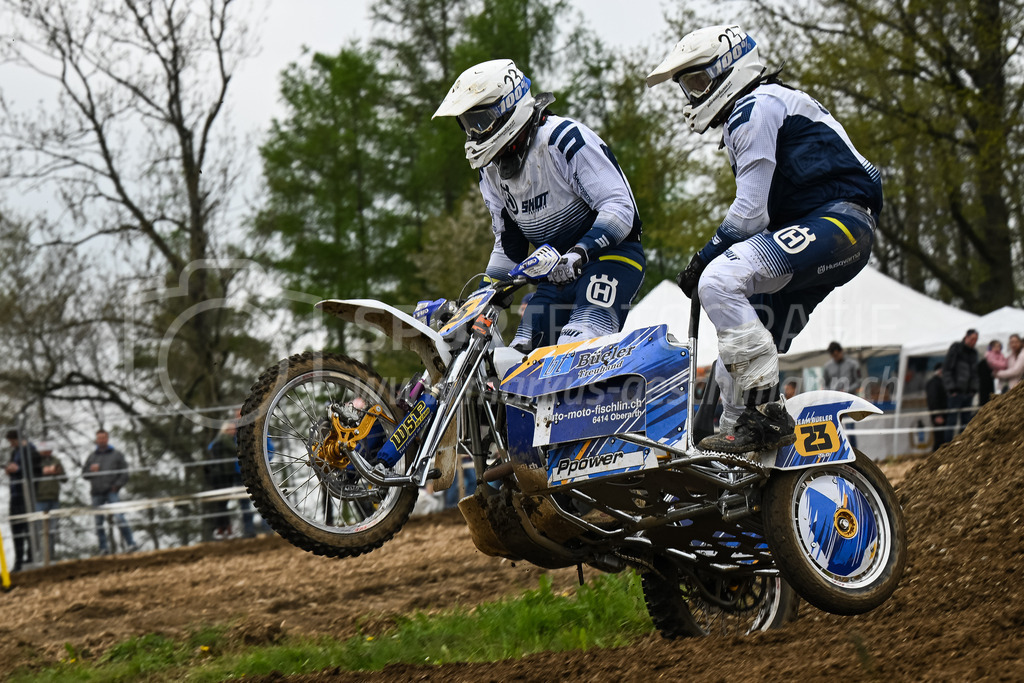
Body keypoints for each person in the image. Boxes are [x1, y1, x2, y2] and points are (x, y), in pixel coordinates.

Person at [647, 25, 881, 453]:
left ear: (729, 69)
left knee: (717, 280)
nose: (692, 96)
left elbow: (751, 212)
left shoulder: (754, 105)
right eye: (686, 86)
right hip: (830, 231)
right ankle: (736, 449)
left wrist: (705, 257)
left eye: (697, 81)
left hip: (841, 222)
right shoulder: (769, 105)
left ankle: (765, 412)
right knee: (734, 357)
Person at [433, 59, 646, 350]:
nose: (473, 135)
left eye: (480, 122)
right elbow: (509, 247)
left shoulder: (563, 139)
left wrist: (580, 252)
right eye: (468, 126)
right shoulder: (490, 170)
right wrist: (477, 301)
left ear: (508, 106)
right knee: (520, 360)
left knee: (579, 342)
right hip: (553, 276)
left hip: (610, 259)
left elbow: (621, 208)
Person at [83, 429, 138, 554]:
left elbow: (124, 473)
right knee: (98, 522)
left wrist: (117, 485)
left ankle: (131, 543)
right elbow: (84, 474)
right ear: (96, 440)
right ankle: (103, 548)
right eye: (99, 438)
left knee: (119, 517)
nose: (101, 440)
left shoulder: (117, 454)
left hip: (112, 491)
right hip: (96, 493)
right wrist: (91, 471)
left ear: (107, 439)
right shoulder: (92, 457)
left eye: (103, 438)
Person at [4, 430, 41, 572]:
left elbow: (34, 471)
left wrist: (18, 469)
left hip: (27, 494)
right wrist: (10, 469)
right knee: (16, 526)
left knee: (28, 526)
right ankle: (18, 560)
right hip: (15, 493)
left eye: (12, 442)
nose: (12, 445)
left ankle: (31, 557)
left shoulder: (32, 452)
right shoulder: (15, 452)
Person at [205, 420, 239, 540]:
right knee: (222, 503)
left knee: (222, 503)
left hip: (221, 475)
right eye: (232, 429)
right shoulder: (225, 439)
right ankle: (222, 529)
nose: (234, 431)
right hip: (223, 475)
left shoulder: (219, 439)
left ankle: (224, 529)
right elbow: (237, 450)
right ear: (226, 430)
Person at [33, 441, 67, 559]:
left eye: (48, 450)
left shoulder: (56, 461)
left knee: (52, 530)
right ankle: (40, 557)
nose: (45, 452)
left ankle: (50, 556)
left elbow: (64, 478)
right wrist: (43, 471)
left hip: (54, 498)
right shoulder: (35, 462)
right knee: (39, 530)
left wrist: (58, 471)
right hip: (39, 499)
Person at [942, 329, 979, 436]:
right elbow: (947, 369)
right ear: (966, 337)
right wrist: (951, 388)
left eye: (975, 340)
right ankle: (948, 445)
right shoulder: (956, 348)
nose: (973, 342)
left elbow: (974, 373)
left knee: (966, 421)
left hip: (968, 392)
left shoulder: (973, 353)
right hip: (956, 391)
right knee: (952, 420)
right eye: (972, 339)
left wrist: (973, 389)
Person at [925, 364, 949, 452]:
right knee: (939, 437)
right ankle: (935, 456)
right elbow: (933, 400)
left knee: (941, 437)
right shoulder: (934, 383)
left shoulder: (937, 382)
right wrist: (937, 415)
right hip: (939, 414)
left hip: (941, 413)